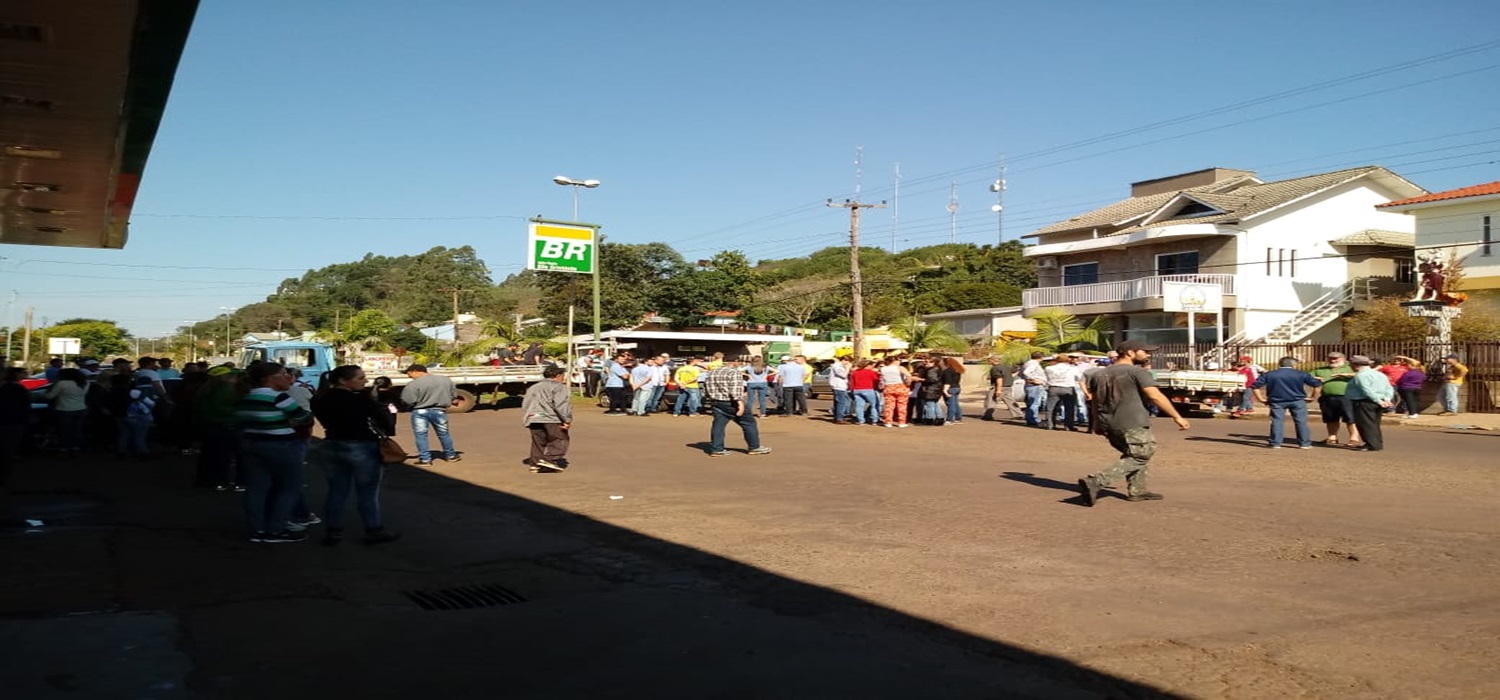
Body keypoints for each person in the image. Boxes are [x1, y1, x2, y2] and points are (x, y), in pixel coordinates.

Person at [1077, 341, 1190, 507]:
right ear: (1130, 353)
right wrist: (1177, 416)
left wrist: (1097, 423)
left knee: (1133, 454)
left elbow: (1095, 401)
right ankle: (1097, 481)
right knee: (1141, 454)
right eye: (1145, 352)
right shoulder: (1137, 372)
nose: (1148, 355)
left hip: (1109, 423)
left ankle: (1138, 490)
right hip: (1132, 421)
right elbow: (1155, 396)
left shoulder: (1098, 374)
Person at [310, 365, 400, 546]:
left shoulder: (319, 398)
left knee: (337, 491)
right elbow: (384, 418)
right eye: (360, 378)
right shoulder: (360, 399)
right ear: (344, 380)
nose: (365, 381)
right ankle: (374, 530)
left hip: (332, 443)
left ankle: (333, 532)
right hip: (362, 445)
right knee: (367, 492)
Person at [237, 362, 315, 543]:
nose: (287, 377)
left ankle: (258, 529)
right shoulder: (278, 397)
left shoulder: (244, 396)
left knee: (256, 488)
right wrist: (292, 420)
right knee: (290, 487)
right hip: (281, 445)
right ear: (268, 379)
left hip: (251, 443)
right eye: (282, 374)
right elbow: (304, 417)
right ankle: (276, 529)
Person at [701, 358, 772, 457]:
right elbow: (735, 390)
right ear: (735, 362)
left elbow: (706, 388)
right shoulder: (734, 373)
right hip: (731, 402)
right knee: (749, 423)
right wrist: (740, 403)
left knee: (718, 425)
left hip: (716, 402)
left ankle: (717, 448)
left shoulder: (712, 372)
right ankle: (754, 447)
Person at [1251, 357, 1322, 449]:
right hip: (1297, 400)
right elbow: (1317, 385)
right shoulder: (1301, 374)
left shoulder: (1270, 374)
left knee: (1277, 421)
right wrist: (1313, 397)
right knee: (1301, 422)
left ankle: (1275, 443)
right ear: (1293, 365)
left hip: (1277, 401)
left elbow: (1255, 386)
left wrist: (1261, 399)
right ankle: (1304, 443)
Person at [400, 364, 461, 465]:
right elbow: (453, 395)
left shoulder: (413, 384)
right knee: (444, 434)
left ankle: (425, 459)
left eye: (409, 373)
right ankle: (451, 455)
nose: (409, 376)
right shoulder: (445, 380)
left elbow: (408, 400)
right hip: (439, 411)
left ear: (415, 371)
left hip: (420, 411)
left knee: (421, 435)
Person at [521, 365, 573, 472]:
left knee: (538, 441)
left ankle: (536, 463)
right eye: (563, 376)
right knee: (560, 439)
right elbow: (561, 404)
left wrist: (528, 417)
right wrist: (567, 420)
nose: (563, 378)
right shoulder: (559, 387)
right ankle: (549, 459)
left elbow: (525, 403)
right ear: (558, 376)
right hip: (551, 418)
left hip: (533, 417)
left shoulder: (533, 387)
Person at [1346, 355, 1395, 451]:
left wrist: (1379, 400)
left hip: (1364, 401)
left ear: (1355, 365)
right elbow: (1389, 388)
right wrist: (1387, 399)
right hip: (1379, 401)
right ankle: (1377, 443)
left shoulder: (1360, 375)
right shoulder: (1380, 374)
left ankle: (1370, 444)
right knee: (1374, 423)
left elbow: (1367, 390)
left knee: (1365, 424)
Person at [1312, 352, 1361, 447]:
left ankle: (1354, 438)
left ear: (1343, 358)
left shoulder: (1350, 367)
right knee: (1330, 419)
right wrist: (1316, 378)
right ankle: (1332, 437)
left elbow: (1363, 374)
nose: (1333, 360)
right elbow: (1306, 376)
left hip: (1347, 397)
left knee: (1350, 419)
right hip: (1327, 397)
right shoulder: (1321, 369)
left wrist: (1346, 375)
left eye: (1335, 358)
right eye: (1330, 358)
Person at [45, 368, 90, 455]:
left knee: (64, 430)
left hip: (64, 409)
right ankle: (75, 448)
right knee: (77, 430)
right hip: (81, 408)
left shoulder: (62, 383)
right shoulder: (85, 382)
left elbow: (50, 396)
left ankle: (64, 449)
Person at [0, 368, 31, 485]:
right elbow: (25, 405)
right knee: (8, 448)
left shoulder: (9, 388)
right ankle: (5, 473)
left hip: (9, 422)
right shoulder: (18, 388)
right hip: (13, 422)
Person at [1043, 355, 1083, 431]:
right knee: (1069, 408)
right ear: (1067, 360)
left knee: (1051, 408)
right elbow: (1079, 377)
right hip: (1068, 388)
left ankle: (1050, 424)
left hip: (1053, 387)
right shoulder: (1073, 368)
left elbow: (1046, 377)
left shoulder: (1049, 368)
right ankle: (1068, 425)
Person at [878, 355, 911, 427]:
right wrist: (908, 383)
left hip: (888, 386)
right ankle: (902, 422)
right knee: (902, 405)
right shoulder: (900, 368)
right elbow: (908, 376)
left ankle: (888, 422)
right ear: (895, 361)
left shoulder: (883, 369)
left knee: (889, 406)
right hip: (900, 386)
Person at [1019, 351, 1048, 427]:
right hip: (1034, 385)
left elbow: (1021, 374)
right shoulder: (1033, 364)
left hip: (1030, 385)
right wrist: (1034, 379)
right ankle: (1034, 419)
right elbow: (1026, 372)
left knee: (1031, 403)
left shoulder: (1028, 363)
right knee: (1035, 403)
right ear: (1041, 357)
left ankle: (1030, 418)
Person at [849, 359, 882, 425]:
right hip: (868, 389)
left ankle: (861, 420)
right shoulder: (871, 372)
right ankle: (874, 420)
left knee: (859, 406)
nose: (873, 367)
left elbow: (852, 382)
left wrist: (852, 389)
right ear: (868, 365)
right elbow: (876, 380)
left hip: (857, 390)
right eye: (872, 365)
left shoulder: (855, 372)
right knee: (874, 405)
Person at [828, 356, 852, 424]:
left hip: (841, 386)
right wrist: (847, 368)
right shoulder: (837, 366)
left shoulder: (839, 366)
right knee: (841, 403)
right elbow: (843, 375)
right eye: (847, 361)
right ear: (844, 360)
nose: (848, 363)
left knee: (838, 402)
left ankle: (837, 417)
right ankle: (839, 418)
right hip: (838, 386)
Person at [982, 356, 1007, 421]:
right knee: (1010, 401)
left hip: (997, 386)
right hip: (1007, 386)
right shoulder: (1005, 367)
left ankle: (987, 415)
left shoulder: (995, 368)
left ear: (993, 360)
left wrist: (998, 389)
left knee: (990, 401)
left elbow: (999, 379)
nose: (988, 362)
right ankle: (1019, 414)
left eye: (989, 361)